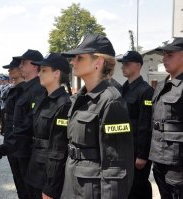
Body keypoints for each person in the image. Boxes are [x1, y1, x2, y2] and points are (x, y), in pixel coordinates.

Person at [60, 34, 134, 199]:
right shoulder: (81, 98)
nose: (73, 61)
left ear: (98, 62)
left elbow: (116, 167)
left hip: (91, 191)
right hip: (72, 183)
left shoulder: (111, 101)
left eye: (80, 57)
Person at [0, 49, 45, 199]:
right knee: (21, 188)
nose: (19, 67)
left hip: (26, 149)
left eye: (23, 63)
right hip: (16, 146)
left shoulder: (38, 89)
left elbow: (28, 124)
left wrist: (5, 147)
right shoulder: (24, 89)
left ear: (35, 66)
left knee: (30, 190)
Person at [25, 53, 72, 199]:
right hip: (34, 171)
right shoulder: (42, 100)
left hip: (48, 176)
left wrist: (51, 187)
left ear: (56, 74)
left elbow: (59, 150)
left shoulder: (64, 104)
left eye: (44, 70)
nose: (39, 74)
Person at [149, 37, 183, 199]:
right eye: (163, 55)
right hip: (158, 156)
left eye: (170, 55)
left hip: (178, 163)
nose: (164, 59)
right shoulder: (161, 85)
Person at [117, 51, 153, 199]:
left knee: (138, 188)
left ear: (138, 66)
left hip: (136, 154)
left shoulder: (146, 91)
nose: (123, 67)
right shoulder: (122, 89)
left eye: (127, 63)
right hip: (122, 150)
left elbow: (146, 124)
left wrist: (142, 155)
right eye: (122, 64)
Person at [0, 58, 26, 198]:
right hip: (10, 141)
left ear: (21, 70)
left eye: (12, 68)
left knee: (24, 182)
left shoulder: (26, 91)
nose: (9, 71)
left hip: (20, 143)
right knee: (17, 180)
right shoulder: (14, 90)